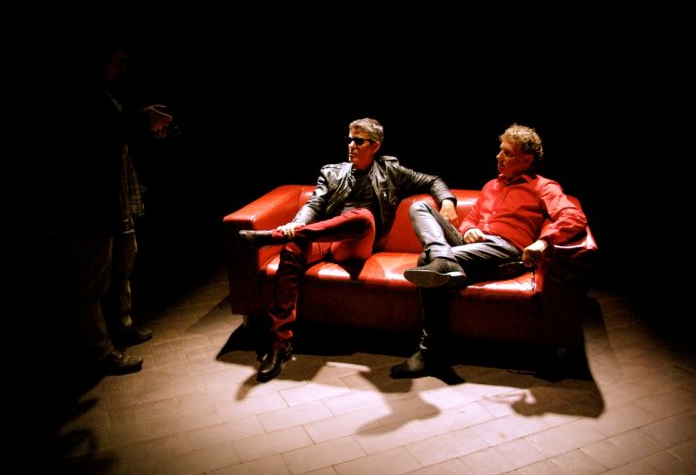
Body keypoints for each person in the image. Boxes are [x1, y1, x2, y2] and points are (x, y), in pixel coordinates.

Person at [239, 117, 459, 382]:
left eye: (359, 141)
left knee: (363, 216)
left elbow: (432, 180)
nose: (351, 145)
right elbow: (314, 204)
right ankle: (279, 344)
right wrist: (296, 224)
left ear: (375, 146)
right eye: (349, 139)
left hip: (356, 243)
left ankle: (274, 237)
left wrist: (447, 201)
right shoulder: (332, 172)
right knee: (291, 250)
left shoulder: (391, 171)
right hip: (324, 238)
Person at [390, 123, 588, 379]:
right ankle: (442, 257)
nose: (498, 157)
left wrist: (543, 242)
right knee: (419, 207)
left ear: (527, 159)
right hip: (472, 246)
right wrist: (470, 229)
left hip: (507, 251)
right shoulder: (491, 186)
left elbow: (574, 216)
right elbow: (470, 220)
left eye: (507, 153)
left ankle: (429, 352)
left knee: (425, 261)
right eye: (500, 150)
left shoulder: (544, 187)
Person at [51, 36, 173, 375]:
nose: (122, 68)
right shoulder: (78, 97)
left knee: (122, 264)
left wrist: (146, 128)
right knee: (90, 282)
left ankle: (121, 325)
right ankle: (98, 352)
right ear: (97, 61)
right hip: (88, 207)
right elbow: (97, 136)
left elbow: (116, 138)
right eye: (116, 61)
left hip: (116, 198)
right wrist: (143, 120)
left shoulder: (106, 95)